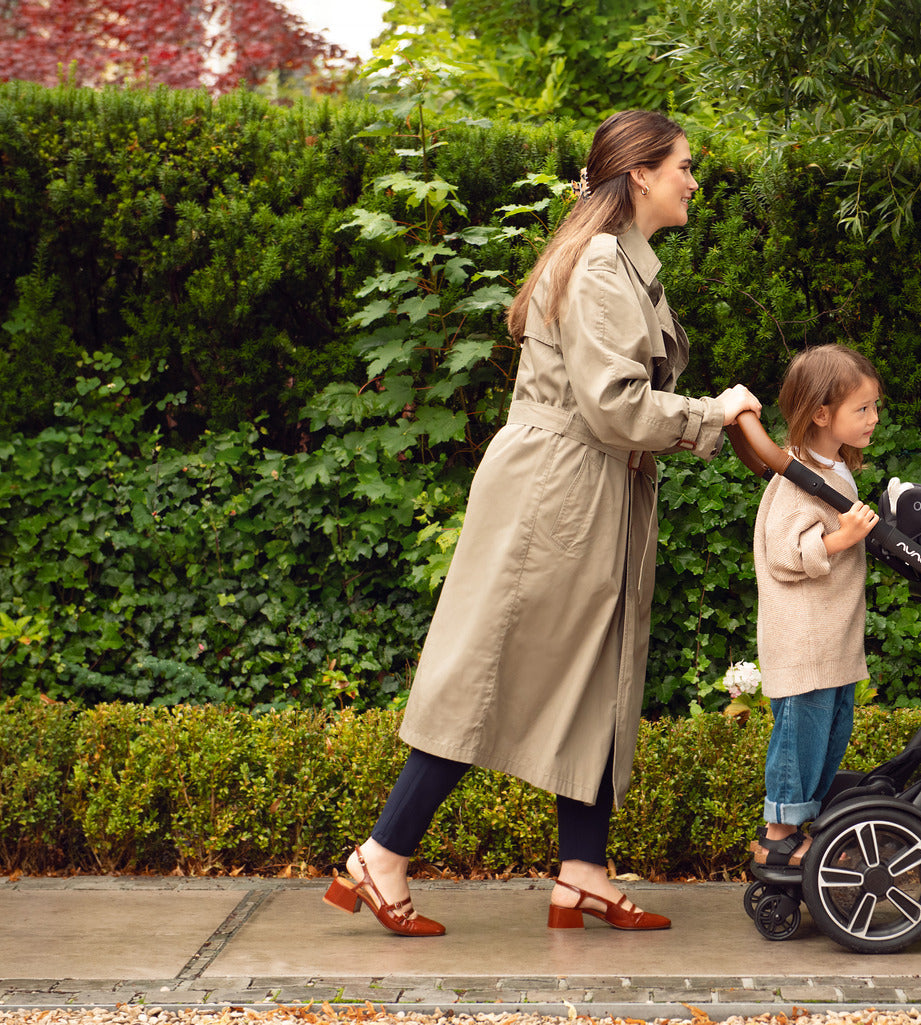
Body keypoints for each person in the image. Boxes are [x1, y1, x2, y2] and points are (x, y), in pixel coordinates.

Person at [322, 110, 761, 936]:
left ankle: (583, 871)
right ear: (640, 176)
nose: (693, 180)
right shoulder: (598, 262)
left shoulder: (621, 261)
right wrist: (714, 411)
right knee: (488, 672)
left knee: (595, 673)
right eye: (684, 166)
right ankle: (381, 856)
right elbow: (613, 405)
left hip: (587, 490)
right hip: (558, 492)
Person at [748, 344, 882, 868]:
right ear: (822, 414)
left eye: (874, 407)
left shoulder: (832, 468)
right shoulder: (798, 476)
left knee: (831, 728)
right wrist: (840, 540)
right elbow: (784, 553)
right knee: (801, 731)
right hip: (804, 640)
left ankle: (799, 825)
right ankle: (777, 834)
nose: (873, 419)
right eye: (862, 409)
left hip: (831, 637)